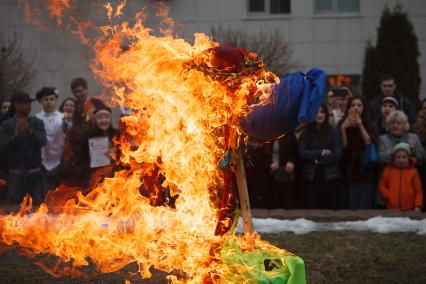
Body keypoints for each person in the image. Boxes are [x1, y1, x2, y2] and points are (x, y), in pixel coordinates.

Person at [0, 92, 46, 205]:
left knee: (37, 210)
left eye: (29, 103)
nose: (29, 106)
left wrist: (29, 132)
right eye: (25, 103)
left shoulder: (37, 122)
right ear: (16, 105)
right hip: (15, 176)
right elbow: (2, 147)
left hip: (34, 175)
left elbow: (42, 141)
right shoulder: (7, 125)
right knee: (15, 212)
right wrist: (15, 137)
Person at [299, 103, 342, 209]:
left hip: (330, 176)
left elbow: (337, 154)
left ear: (326, 114)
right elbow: (302, 153)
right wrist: (321, 152)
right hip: (311, 176)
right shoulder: (306, 133)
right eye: (316, 112)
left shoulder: (333, 132)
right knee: (312, 207)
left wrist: (317, 160)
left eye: (322, 112)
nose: (319, 115)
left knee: (329, 208)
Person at [339, 95, 378, 209]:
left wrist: (360, 125)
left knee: (363, 203)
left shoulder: (371, 124)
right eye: (353, 105)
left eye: (359, 105)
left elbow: (369, 143)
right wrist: (343, 129)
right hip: (347, 169)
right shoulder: (342, 123)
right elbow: (343, 147)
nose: (356, 108)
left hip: (364, 170)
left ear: (364, 108)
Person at [36, 87, 65, 193]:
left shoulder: (62, 118)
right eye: (46, 99)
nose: (49, 102)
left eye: (52, 99)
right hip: (42, 163)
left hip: (60, 162)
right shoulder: (37, 119)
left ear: (55, 100)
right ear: (41, 101)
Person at [379, 143, 423, 212]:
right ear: (394, 158)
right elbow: (382, 186)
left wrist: (418, 205)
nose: (401, 160)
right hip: (392, 208)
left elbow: (418, 191)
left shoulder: (413, 171)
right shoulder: (387, 170)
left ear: (408, 158)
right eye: (398, 157)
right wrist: (389, 195)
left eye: (404, 157)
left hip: (410, 208)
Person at [268, 132, 298, 209]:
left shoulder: (289, 134)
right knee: (272, 201)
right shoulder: (269, 133)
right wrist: (270, 163)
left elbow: (296, 151)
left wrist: (291, 161)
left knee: (286, 201)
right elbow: (264, 151)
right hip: (270, 172)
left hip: (285, 172)